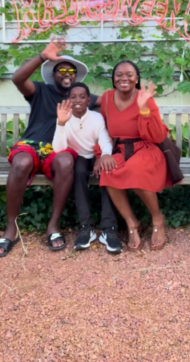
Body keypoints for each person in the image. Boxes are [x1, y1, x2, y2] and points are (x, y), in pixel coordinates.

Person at [0, 39, 116, 258]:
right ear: (53, 74)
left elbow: (111, 100)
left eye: (71, 71)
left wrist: (136, 95)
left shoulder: (79, 97)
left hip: (57, 150)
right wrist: (42, 56)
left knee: (67, 161)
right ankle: (10, 228)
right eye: (62, 70)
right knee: (22, 162)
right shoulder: (40, 90)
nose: (67, 74)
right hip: (31, 145)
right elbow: (18, 78)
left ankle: (53, 226)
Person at [97, 60, 170, 251]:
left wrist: (144, 108)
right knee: (108, 171)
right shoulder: (106, 98)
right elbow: (100, 128)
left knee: (135, 170)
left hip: (145, 148)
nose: (124, 78)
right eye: (119, 74)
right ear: (113, 79)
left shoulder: (145, 98)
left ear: (136, 79)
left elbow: (157, 136)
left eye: (129, 74)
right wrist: (102, 154)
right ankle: (131, 223)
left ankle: (157, 219)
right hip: (120, 150)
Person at [52, 83, 122, 253]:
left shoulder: (96, 118)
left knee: (108, 169)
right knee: (78, 170)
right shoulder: (64, 118)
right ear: (68, 100)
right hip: (78, 157)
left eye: (82, 97)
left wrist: (105, 155)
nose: (77, 100)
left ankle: (109, 228)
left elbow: (105, 139)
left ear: (88, 100)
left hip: (96, 154)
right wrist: (61, 124)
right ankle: (86, 227)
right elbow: (59, 149)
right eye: (73, 97)